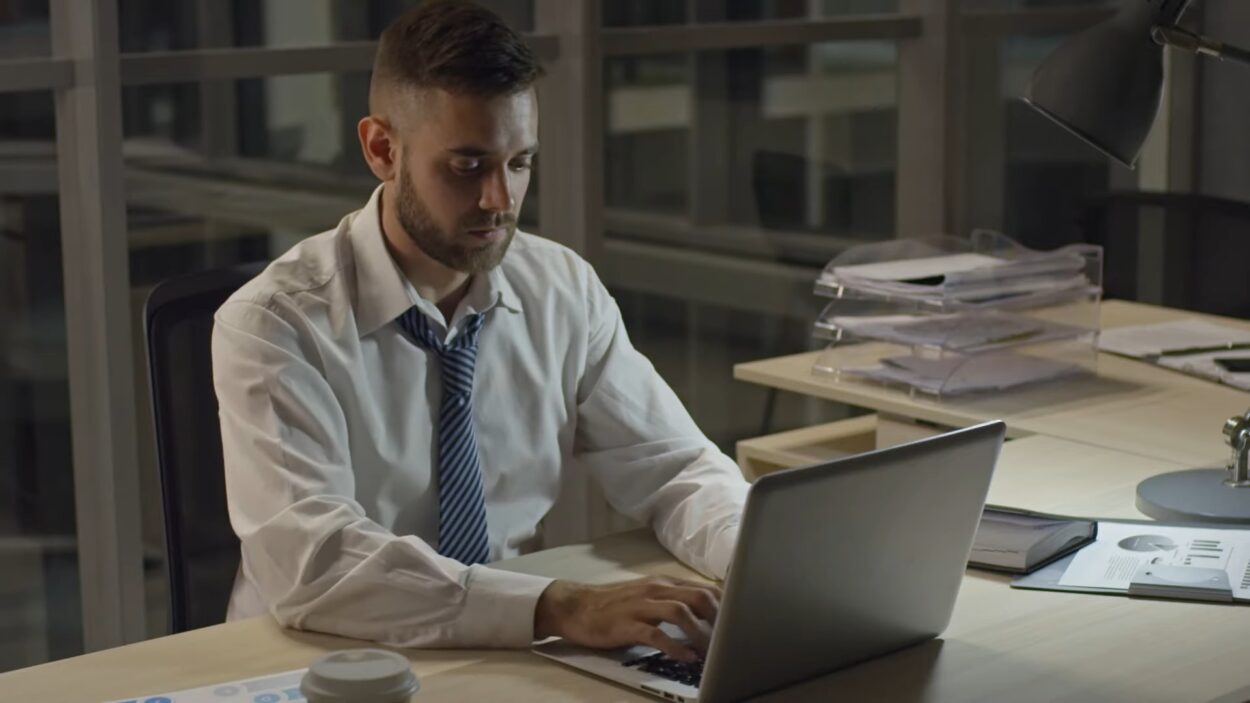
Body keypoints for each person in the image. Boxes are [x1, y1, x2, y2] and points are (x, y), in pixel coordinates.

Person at [212, 0, 748, 663]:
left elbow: (676, 470)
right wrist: (561, 604)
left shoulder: (560, 288)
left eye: (520, 162)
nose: (501, 199)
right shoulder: (274, 324)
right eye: (468, 166)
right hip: (320, 660)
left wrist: (765, 563)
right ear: (383, 148)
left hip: (509, 650)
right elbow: (315, 561)